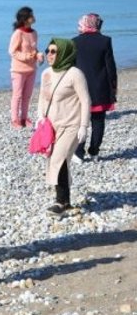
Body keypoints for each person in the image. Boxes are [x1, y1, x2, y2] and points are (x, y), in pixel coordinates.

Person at [38, 38, 91, 216]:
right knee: (56, 160)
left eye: (54, 51)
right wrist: (40, 117)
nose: (49, 55)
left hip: (71, 125)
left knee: (58, 159)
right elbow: (42, 97)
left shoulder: (75, 74)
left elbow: (85, 100)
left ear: (64, 53)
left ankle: (59, 203)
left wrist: (84, 126)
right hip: (51, 126)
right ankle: (66, 202)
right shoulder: (46, 73)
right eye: (48, 51)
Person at [72, 13, 118, 162]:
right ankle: (94, 152)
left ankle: (78, 153)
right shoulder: (105, 41)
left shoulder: (74, 42)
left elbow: (70, 67)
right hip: (100, 88)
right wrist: (114, 86)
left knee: (80, 122)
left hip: (80, 88)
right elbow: (110, 67)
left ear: (85, 23)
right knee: (98, 122)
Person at [8, 6, 44, 128]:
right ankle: (14, 119)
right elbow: (12, 51)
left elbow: (34, 49)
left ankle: (24, 118)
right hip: (18, 70)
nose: (34, 17)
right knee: (17, 95)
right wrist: (27, 56)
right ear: (25, 19)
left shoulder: (34, 33)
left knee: (27, 95)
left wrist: (38, 55)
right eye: (31, 15)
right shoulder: (18, 33)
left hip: (32, 69)